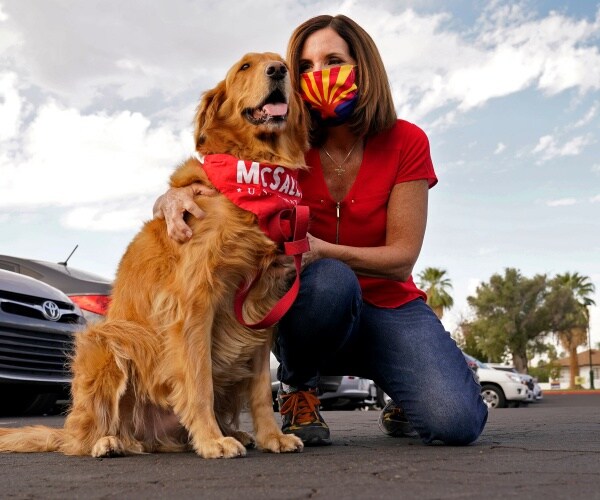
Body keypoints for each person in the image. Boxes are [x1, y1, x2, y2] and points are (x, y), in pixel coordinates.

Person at [154, 14, 488, 446]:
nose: (318, 76)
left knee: (456, 421)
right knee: (330, 282)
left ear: (362, 68)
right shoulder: (282, 143)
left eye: (333, 61)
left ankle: (404, 383)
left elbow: (402, 256)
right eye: (306, 68)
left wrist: (325, 248)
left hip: (389, 304)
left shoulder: (406, 141)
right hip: (311, 305)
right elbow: (218, 177)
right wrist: (168, 198)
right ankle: (300, 386)